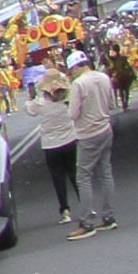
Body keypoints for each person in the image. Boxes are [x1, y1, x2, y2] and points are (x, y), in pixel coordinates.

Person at [69, 49, 122, 235]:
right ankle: (108, 216)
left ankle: (86, 222)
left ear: (77, 67)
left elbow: (73, 113)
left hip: (87, 133)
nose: (71, 73)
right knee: (105, 173)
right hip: (105, 128)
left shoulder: (78, 84)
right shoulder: (103, 77)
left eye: (71, 70)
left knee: (83, 177)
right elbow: (112, 104)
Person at [28, 60, 80, 222]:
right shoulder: (68, 97)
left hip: (51, 144)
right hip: (70, 139)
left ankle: (65, 210)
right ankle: (86, 204)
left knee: (58, 177)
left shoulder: (41, 102)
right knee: (75, 174)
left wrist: (30, 97)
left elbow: (29, 110)